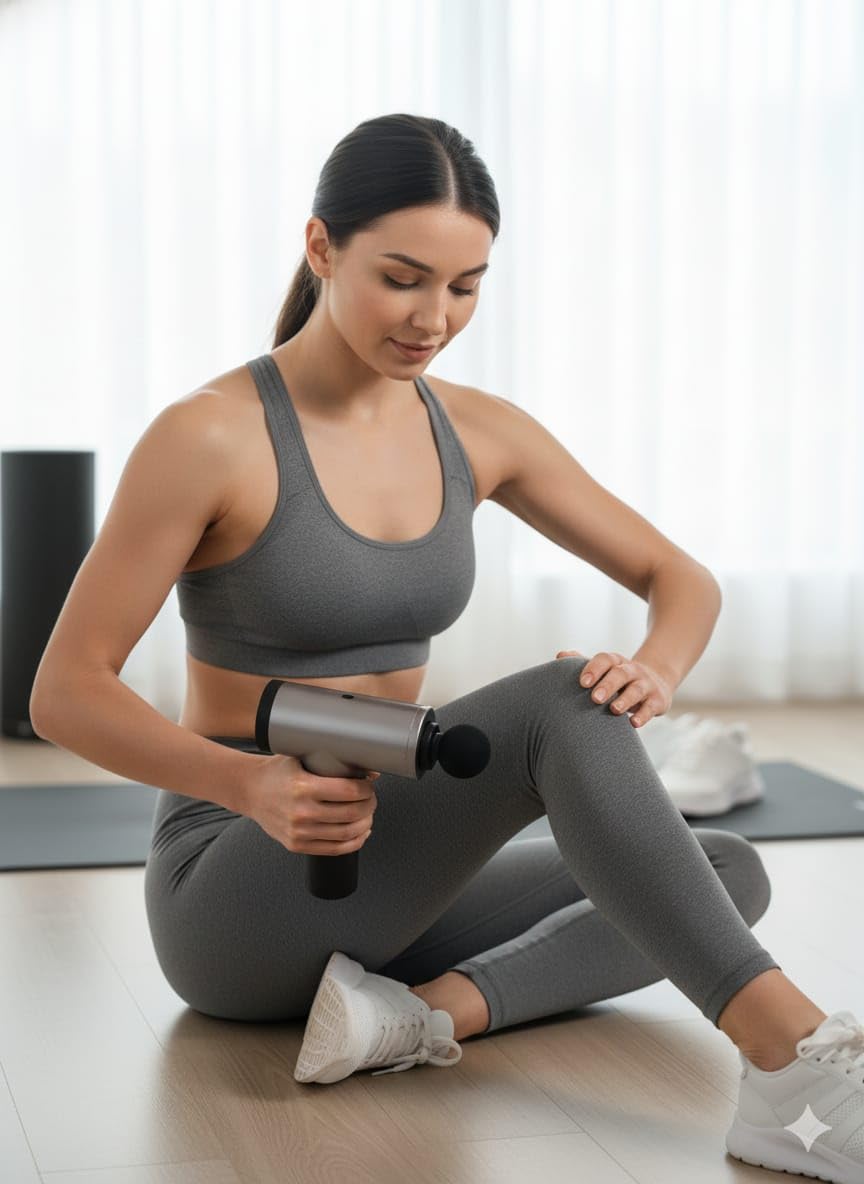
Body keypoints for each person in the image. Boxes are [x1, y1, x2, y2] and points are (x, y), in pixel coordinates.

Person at [29, 114, 864, 1182]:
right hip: (240, 889)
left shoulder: (475, 429)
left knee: (719, 872)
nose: (435, 317)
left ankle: (412, 1016)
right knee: (565, 705)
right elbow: (64, 692)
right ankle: (793, 1054)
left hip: (388, 863)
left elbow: (680, 580)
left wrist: (653, 668)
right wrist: (247, 784)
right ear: (322, 246)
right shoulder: (210, 435)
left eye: (466, 286)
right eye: (404, 277)